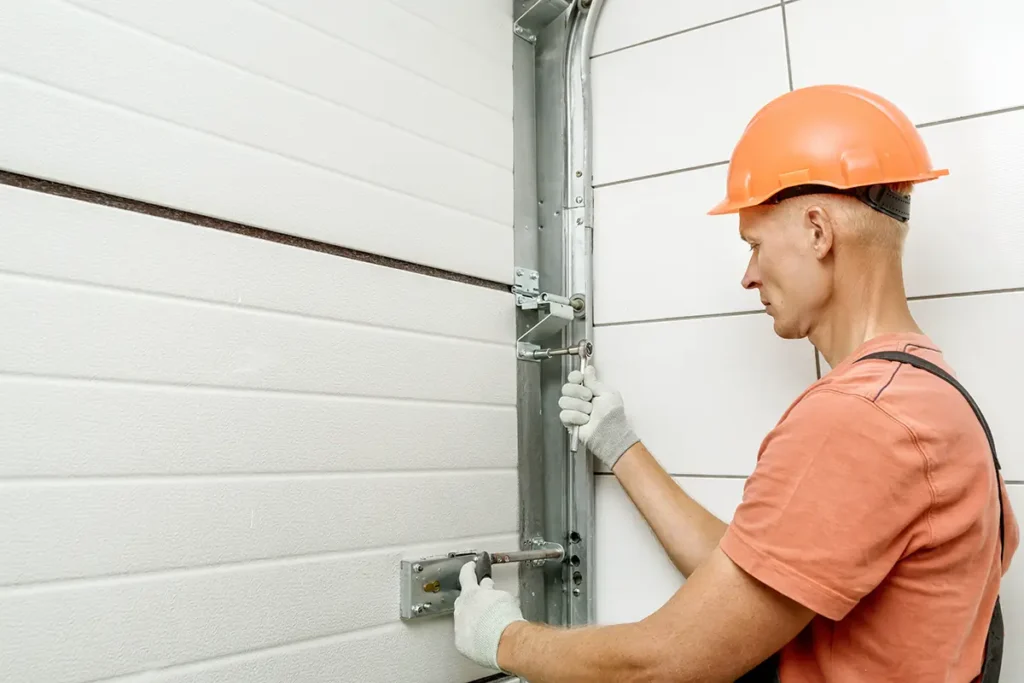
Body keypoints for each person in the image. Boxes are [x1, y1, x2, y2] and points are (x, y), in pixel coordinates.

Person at [451, 84, 1020, 682]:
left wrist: (504, 638)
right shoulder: (931, 395)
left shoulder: (859, 418)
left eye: (754, 245)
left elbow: (663, 663)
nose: (748, 276)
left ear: (819, 232)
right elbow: (758, 577)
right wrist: (620, 447)